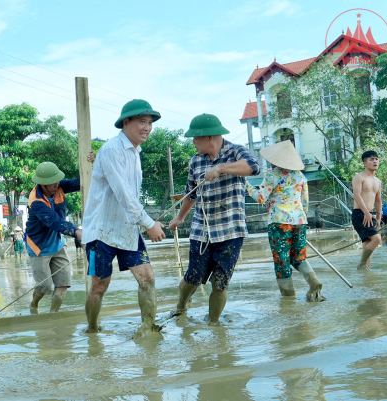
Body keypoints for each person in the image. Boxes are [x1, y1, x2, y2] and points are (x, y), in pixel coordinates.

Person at [82, 99, 166, 338]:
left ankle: (148, 330)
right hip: (102, 231)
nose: (147, 128)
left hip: (128, 229)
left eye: (150, 123)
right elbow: (124, 194)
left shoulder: (135, 153)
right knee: (99, 286)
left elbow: (131, 197)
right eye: (142, 122)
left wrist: (143, 223)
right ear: (125, 123)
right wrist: (149, 224)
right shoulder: (111, 150)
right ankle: (92, 329)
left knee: (147, 279)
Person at [168, 113, 259, 323]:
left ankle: (213, 323)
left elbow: (254, 166)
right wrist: (180, 218)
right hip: (202, 231)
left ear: (209, 137)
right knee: (193, 277)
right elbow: (191, 194)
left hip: (231, 230)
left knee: (220, 282)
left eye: (195, 138)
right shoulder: (196, 161)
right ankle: (181, 306)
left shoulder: (236, 151)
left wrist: (220, 168)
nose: (192, 142)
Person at [246, 140, 325, 302]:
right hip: (299, 221)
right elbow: (305, 203)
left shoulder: (272, 175)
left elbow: (261, 198)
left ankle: (288, 298)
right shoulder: (301, 176)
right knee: (298, 257)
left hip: (279, 222)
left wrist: (246, 185)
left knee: (281, 260)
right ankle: (313, 280)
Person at [26, 162, 82, 314]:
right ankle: (34, 304)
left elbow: (79, 183)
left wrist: (91, 164)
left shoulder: (59, 186)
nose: (56, 185)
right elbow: (55, 222)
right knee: (44, 287)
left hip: (57, 243)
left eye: (57, 181)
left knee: (63, 283)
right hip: (40, 246)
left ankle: (53, 314)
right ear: (42, 184)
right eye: (52, 183)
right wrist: (76, 231)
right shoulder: (36, 201)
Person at [352, 150, 382, 271]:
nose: (375, 161)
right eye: (371, 159)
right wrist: (366, 213)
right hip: (360, 213)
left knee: (367, 242)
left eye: (376, 159)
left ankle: (365, 271)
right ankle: (362, 264)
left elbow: (378, 200)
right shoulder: (359, 177)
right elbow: (357, 196)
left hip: (371, 215)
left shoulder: (378, 181)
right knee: (376, 239)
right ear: (365, 163)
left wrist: (379, 217)